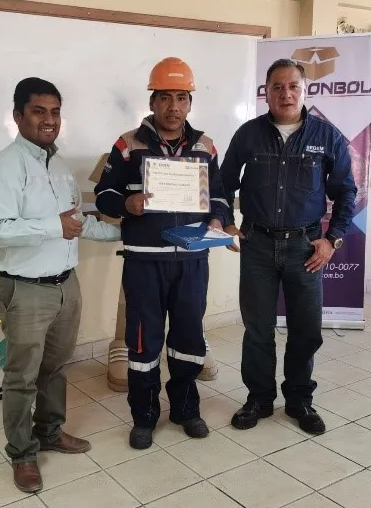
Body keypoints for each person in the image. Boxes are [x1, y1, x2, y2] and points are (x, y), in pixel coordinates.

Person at [0, 77, 121, 493]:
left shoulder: (59, 167)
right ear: (18, 115)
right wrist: (52, 226)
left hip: (66, 285)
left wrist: (127, 233)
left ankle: (50, 432)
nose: (49, 120)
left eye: (55, 112)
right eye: (39, 111)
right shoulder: (4, 167)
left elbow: (77, 223)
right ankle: (22, 453)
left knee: (56, 367)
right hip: (25, 289)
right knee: (22, 375)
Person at [94, 57, 232, 449]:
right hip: (144, 260)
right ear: (153, 101)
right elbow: (104, 195)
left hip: (192, 260)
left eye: (182, 98)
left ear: (190, 103)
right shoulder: (128, 144)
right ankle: (144, 416)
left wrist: (219, 220)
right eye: (166, 97)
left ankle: (186, 410)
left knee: (189, 339)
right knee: (142, 343)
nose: (174, 107)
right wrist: (127, 203)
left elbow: (220, 196)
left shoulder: (206, 147)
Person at [220, 58, 357, 435]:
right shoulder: (248, 135)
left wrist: (332, 239)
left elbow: (346, 192)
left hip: (305, 249)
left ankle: (299, 399)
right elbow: (222, 183)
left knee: (306, 329)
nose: (286, 94)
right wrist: (226, 220)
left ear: (304, 90)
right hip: (257, 246)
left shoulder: (327, 136)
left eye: (293, 86)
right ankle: (259, 398)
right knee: (257, 329)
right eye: (277, 87)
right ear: (266, 93)